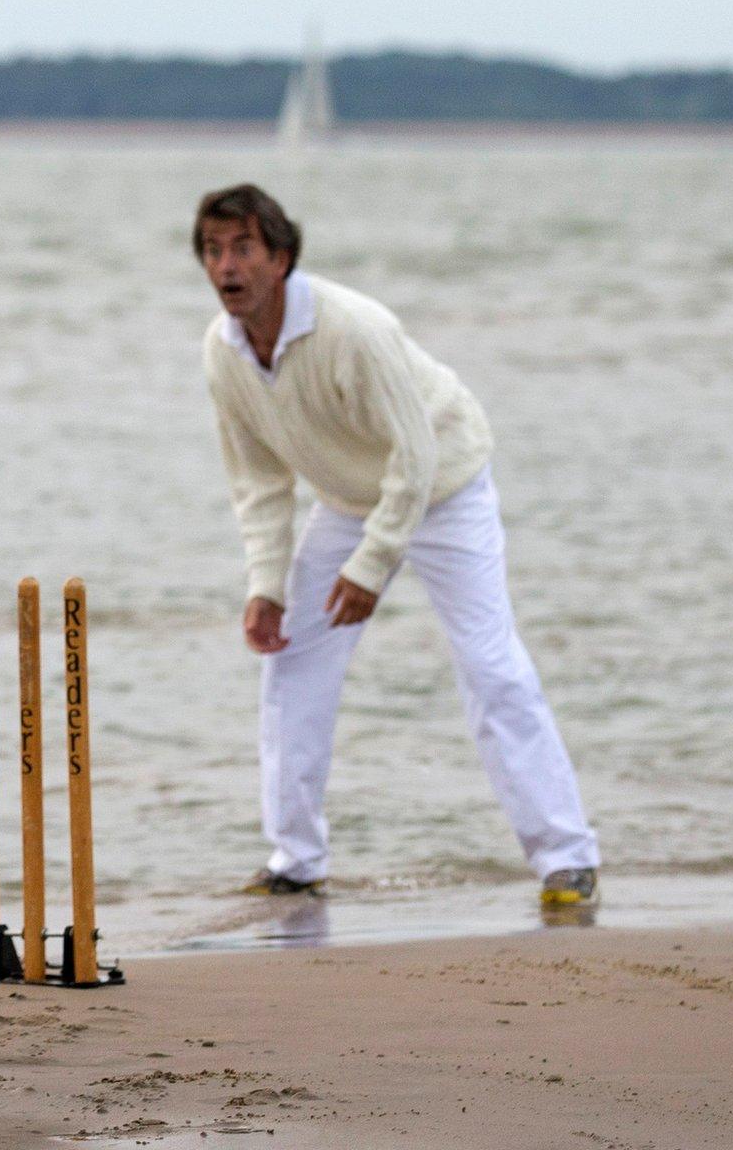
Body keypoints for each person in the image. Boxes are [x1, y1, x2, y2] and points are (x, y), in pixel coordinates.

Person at [194, 182, 601, 908]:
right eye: (214, 250)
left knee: (491, 666)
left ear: (282, 258)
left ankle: (567, 859)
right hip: (350, 500)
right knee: (290, 663)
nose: (227, 266)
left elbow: (414, 457)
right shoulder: (222, 353)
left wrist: (372, 566)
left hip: (446, 485)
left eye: (244, 248)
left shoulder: (355, 328)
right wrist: (266, 586)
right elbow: (258, 483)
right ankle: (296, 861)